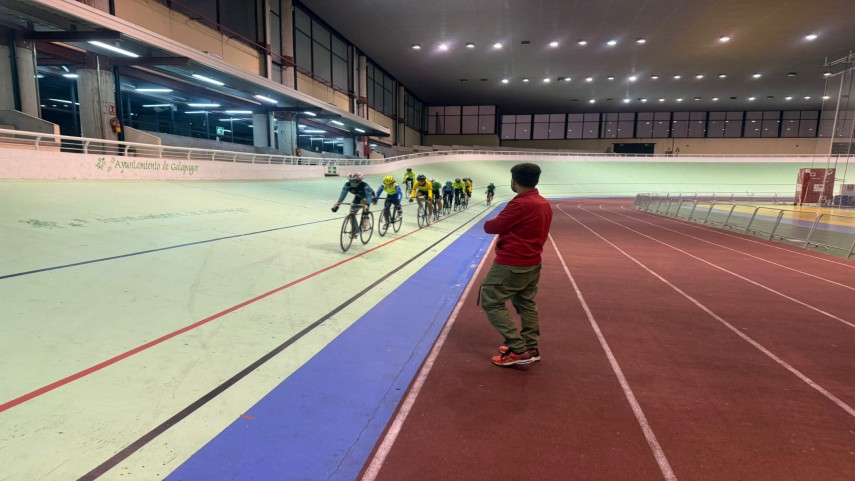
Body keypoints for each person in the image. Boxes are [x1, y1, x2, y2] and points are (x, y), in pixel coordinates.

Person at [481, 163, 553, 367]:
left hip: (511, 263)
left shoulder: (520, 204)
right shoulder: (543, 203)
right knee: (525, 303)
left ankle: (518, 349)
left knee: (491, 300)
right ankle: (531, 347)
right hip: (532, 262)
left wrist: (495, 219)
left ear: (514, 181)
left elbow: (491, 226)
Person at [332, 171, 375, 236]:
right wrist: (338, 204)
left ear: (360, 180)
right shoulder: (347, 185)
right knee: (352, 215)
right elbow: (343, 194)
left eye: (354, 181)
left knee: (364, 201)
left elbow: (368, 197)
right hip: (358, 197)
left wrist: (367, 205)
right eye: (350, 181)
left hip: (369, 196)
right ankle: (355, 229)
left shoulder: (365, 186)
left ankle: (366, 218)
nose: (352, 183)